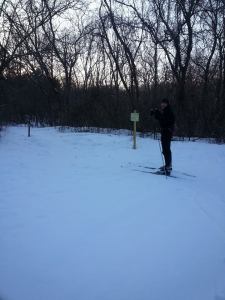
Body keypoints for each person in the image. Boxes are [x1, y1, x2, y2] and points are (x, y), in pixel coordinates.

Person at [151, 98, 175, 175]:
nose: (163, 104)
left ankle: (168, 167)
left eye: (164, 103)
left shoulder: (169, 111)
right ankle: (167, 165)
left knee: (166, 149)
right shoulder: (165, 111)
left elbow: (164, 121)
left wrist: (157, 113)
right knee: (165, 149)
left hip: (167, 132)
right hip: (165, 132)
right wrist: (155, 113)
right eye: (162, 103)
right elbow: (161, 119)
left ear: (167, 104)